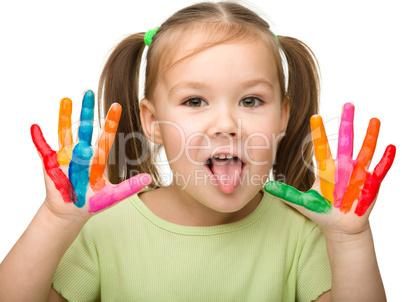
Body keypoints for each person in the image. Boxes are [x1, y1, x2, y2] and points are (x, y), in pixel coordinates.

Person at [0, 1, 395, 301]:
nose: (225, 124)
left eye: (252, 101)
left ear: (283, 117)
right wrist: (55, 220)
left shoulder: (307, 235)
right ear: (152, 122)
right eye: (194, 101)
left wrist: (349, 241)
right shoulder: (104, 230)